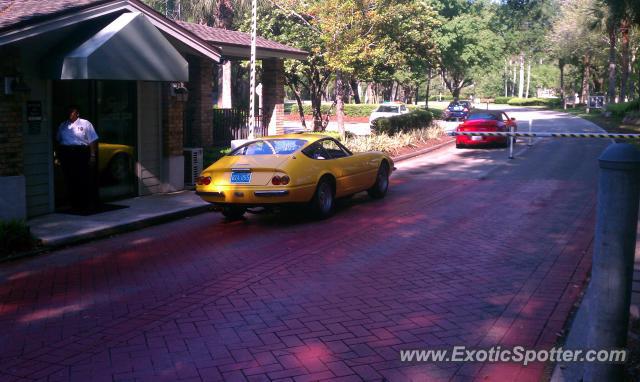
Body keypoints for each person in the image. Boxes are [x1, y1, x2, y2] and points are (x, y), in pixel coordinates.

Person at [56, 106, 99, 212]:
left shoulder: (85, 124)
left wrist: (92, 155)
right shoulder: (63, 125)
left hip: (81, 152)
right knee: (70, 178)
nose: (70, 114)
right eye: (69, 112)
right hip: (67, 153)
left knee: (83, 177)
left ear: (77, 113)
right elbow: (58, 140)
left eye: (72, 112)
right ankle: (73, 203)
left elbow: (92, 140)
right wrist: (57, 156)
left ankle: (86, 203)